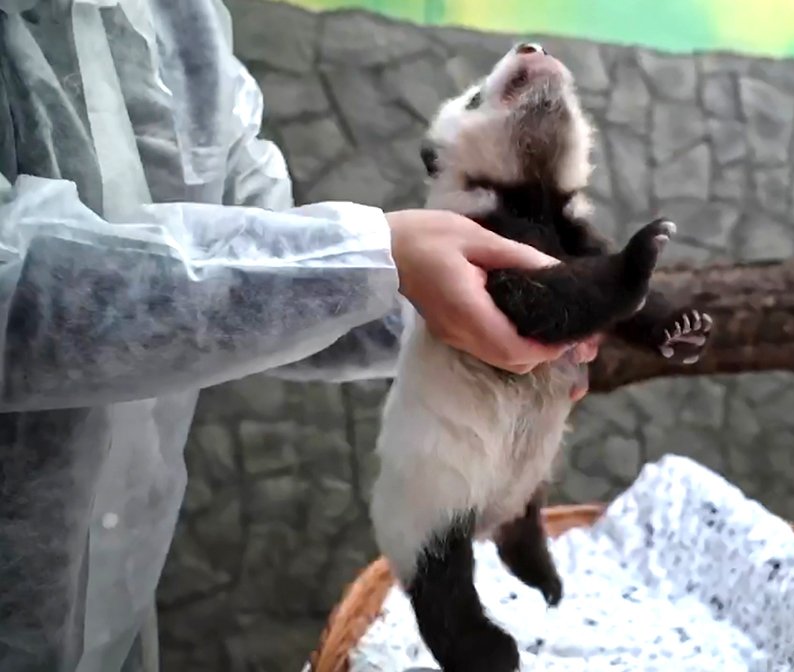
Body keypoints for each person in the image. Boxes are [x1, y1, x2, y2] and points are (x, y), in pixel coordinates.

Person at [0, 2, 598, 671]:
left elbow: (265, 267)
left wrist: (450, 307)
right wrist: (380, 260)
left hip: (122, 593)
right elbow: (19, 290)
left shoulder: (182, 20)